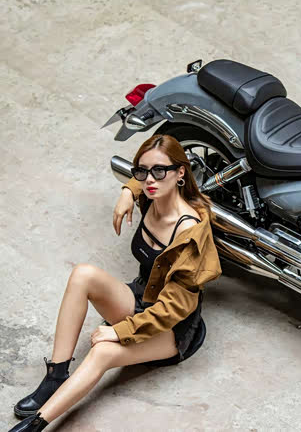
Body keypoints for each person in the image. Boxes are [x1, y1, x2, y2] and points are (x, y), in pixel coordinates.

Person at [9, 134, 222, 431]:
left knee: (102, 351)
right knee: (82, 274)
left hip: (171, 326)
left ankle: (36, 424)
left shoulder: (190, 233)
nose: (150, 180)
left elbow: (173, 310)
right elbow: (146, 177)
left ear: (181, 172)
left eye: (160, 171)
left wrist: (118, 331)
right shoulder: (150, 192)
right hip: (140, 296)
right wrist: (127, 192)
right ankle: (56, 377)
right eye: (142, 172)